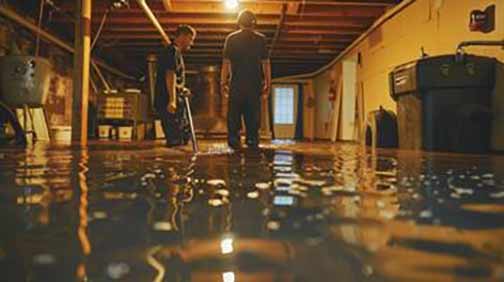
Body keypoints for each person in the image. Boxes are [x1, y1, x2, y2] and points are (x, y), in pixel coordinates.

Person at [220, 10, 271, 150]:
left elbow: (225, 63)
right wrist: (268, 83)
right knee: (253, 120)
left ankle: (234, 146)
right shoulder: (261, 39)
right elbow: (266, 63)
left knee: (234, 118)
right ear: (254, 23)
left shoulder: (231, 38)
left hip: (236, 85)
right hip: (254, 86)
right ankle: (252, 146)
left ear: (239, 22)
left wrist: (223, 83)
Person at [154, 25, 196, 147]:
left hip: (171, 99)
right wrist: (172, 100)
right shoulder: (172, 51)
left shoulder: (174, 52)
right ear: (182, 36)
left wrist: (181, 88)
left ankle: (178, 163)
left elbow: (173, 78)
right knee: (175, 138)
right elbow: (170, 75)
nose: (191, 43)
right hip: (168, 101)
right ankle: (174, 164)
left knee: (182, 136)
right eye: (190, 39)